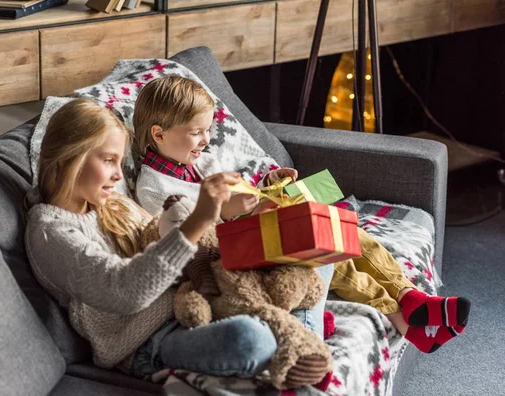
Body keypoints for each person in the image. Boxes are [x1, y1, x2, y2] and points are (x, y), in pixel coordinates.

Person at [132, 76, 471, 355]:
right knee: (319, 244)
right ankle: (400, 315)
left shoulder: (200, 161)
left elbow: (241, 193)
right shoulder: (153, 189)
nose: (206, 140)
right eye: (196, 132)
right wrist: (229, 214)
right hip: (228, 259)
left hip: (248, 228)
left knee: (337, 222)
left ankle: (409, 295)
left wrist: (268, 186)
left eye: (208, 130)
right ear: (158, 134)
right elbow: (189, 245)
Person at [24, 97, 329, 390]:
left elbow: (180, 247)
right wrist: (198, 219)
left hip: (203, 302)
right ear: (68, 160)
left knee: (310, 263)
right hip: (148, 340)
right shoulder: (50, 231)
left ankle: (297, 350)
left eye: (120, 162)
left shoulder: (115, 204)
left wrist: (250, 223)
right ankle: (299, 345)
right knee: (250, 339)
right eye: (108, 161)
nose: (119, 175)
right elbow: (123, 291)